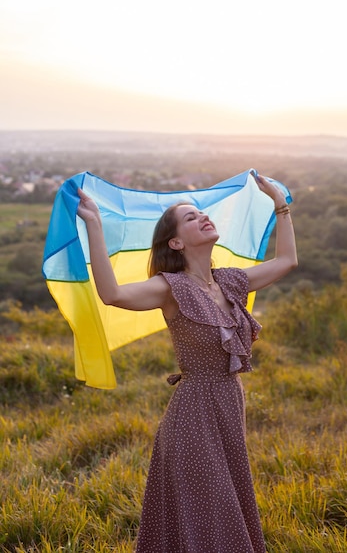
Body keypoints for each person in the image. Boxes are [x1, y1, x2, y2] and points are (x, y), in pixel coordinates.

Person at [76, 173, 297, 553]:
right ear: (176, 241)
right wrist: (94, 224)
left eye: (202, 213)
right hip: (192, 418)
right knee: (213, 512)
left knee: (218, 510)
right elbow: (111, 294)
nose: (203, 217)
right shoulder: (169, 288)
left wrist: (280, 204)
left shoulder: (230, 282)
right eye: (191, 217)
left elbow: (289, 261)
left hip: (229, 406)